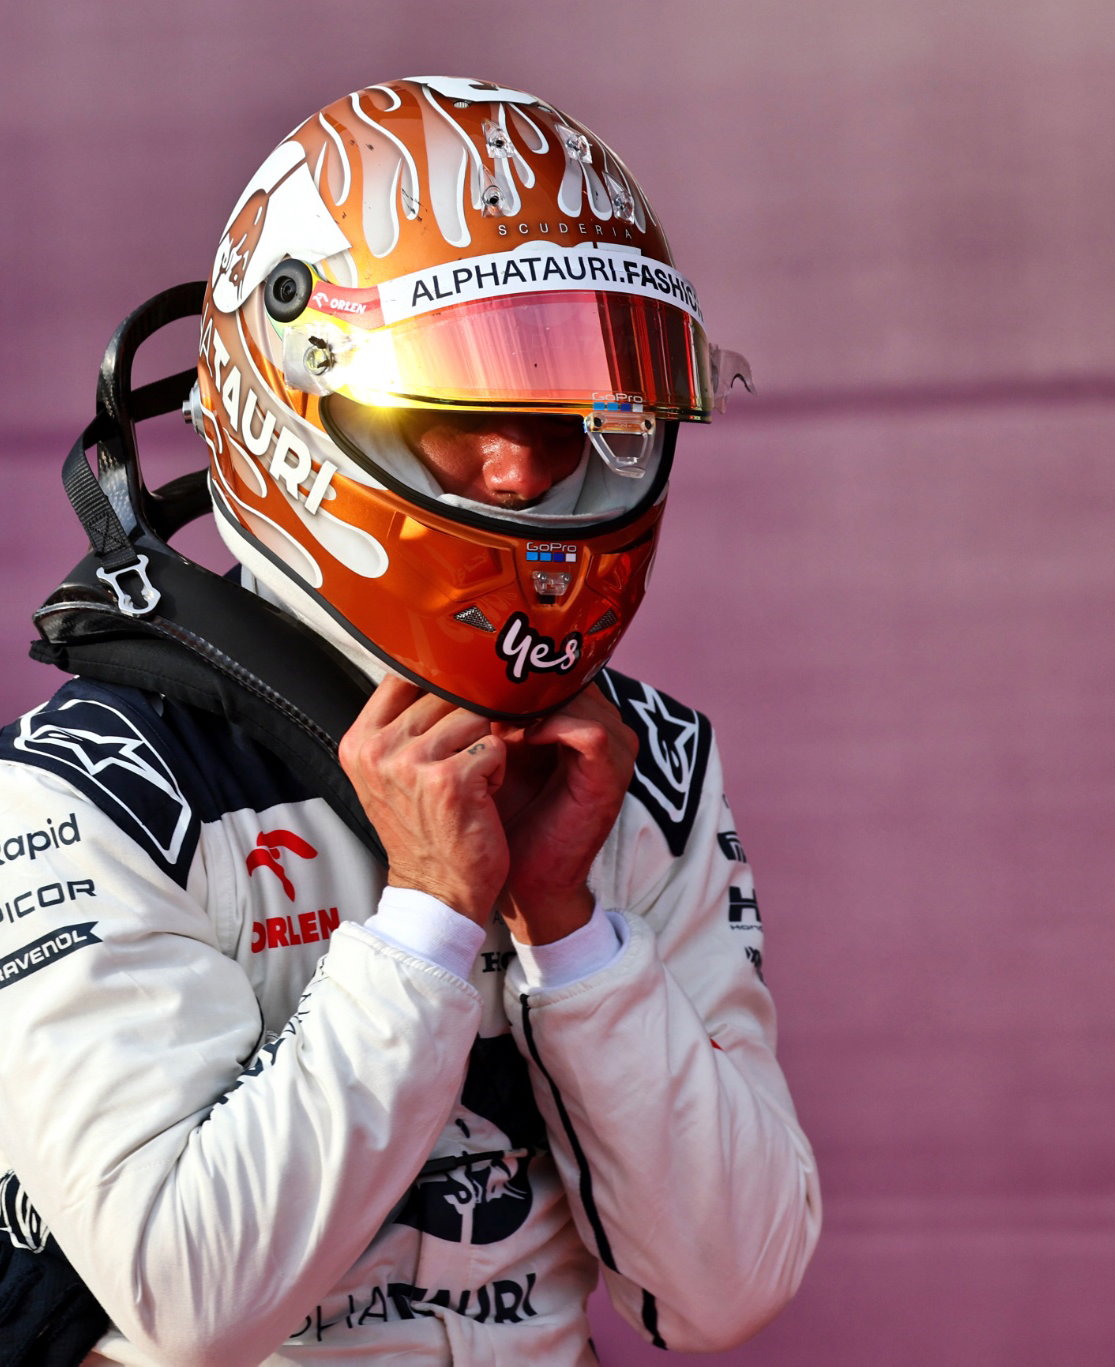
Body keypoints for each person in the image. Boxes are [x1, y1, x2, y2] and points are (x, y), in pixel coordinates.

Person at [0, 77, 820, 1366]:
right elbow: (190, 1296)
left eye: (568, 408)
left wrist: (572, 927)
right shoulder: (91, 790)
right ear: (297, 403)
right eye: (467, 406)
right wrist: (433, 913)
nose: (524, 466)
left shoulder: (640, 769)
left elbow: (733, 1282)